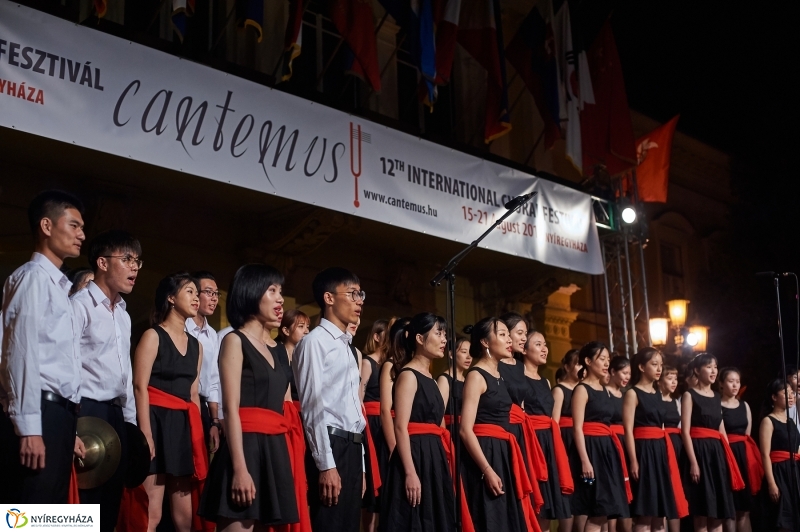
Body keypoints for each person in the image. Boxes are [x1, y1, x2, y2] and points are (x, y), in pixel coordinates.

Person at [199, 264, 304, 530]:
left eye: (280, 291)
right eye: (272, 290)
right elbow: (230, 410)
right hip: (244, 448)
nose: (280, 298)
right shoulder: (235, 340)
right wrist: (239, 469)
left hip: (275, 450)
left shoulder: (279, 350)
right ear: (251, 293)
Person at [0, 190, 86, 504]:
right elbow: (20, 355)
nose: (82, 235)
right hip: (40, 411)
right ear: (47, 226)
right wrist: (29, 428)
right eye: (74, 226)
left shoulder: (58, 287)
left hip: (58, 415)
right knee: (27, 514)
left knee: (51, 518)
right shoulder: (32, 278)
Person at [71, 230, 140, 531]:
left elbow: (126, 374)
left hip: (116, 415)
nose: (135, 267)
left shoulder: (123, 314)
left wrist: (132, 424)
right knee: (80, 509)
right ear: (102, 262)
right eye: (127, 259)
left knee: (109, 508)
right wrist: (69, 425)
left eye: (138, 260)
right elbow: (69, 366)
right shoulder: (79, 305)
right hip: (85, 412)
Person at [292, 267, 367, 532]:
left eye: (361, 294)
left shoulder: (347, 347)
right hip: (331, 445)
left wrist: (362, 466)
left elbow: (353, 411)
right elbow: (312, 408)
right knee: (329, 524)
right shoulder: (314, 342)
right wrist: (326, 466)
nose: (359, 300)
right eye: (352, 293)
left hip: (352, 446)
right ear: (329, 298)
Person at [132, 272, 206, 531]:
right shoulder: (153, 336)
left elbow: (194, 394)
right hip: (155, 421)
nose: (196, 297)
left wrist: (198, 439)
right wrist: (146, 435)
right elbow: (140, 386)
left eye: (197, 293)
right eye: (189, 291)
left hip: (182, 425)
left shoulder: (198, 346)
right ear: (171, 298)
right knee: (151, 512)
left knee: (185, 516)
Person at [379, 313, 464, 531]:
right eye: (438, 333)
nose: (444, 339)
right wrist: (409, 472)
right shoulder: (408, 375)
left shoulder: (431, 378)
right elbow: (400, 426)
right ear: (419, 338)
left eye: (445, 334)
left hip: (433, 455)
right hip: (415, 455)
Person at [460, 317, 539, 532]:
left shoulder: (499, 375)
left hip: (503, 453)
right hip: (486, 454)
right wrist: (487, 469)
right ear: (485, 342)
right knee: (490, 520)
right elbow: (465, 430)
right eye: (502, 335)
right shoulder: (476, 376)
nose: (508, 340)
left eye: (507, 334)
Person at [622, 347, 688, 532]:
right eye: (654, 364)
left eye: (660, 365)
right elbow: (628, 430)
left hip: (660, 451)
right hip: (643, 451)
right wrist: (634, 461)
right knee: (645, 512)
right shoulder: (632, 393)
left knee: (660, 514)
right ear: (642, 367)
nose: (659, 369)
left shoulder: (658, 393)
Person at [570, 341, 630, 532]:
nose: (606, 364)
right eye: (602, 359)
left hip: (607, 450)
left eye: (608, 360)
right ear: (587, 361)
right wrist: (585, 461)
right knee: (597, 509)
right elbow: (577, 428)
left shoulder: (604, 390)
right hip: (591, 450)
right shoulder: (581, 389)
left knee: (604, 511)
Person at [680, 353, 743, 532]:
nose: (714, 371)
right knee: (701, 511)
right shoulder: (689, 395)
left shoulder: (716, 396)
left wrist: (728, 459)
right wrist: (693, 462)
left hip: (717, 454)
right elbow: (685, 431)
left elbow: (721, 428)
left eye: (715, 367)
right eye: (709, 367)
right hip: (699, 452)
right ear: (697, 371)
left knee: (718, 512)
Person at [521, 329, 573, 532]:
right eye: (538, 344)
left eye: (545, 344)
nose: (544, 349)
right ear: (524, 349)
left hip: (548, 443)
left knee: (548, 507)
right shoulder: (518, 379)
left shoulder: (546, 381)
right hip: (531, 442)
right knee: (534, 502)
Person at [498, 314, 547, 515]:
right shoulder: (496, 364)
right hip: (504, 429)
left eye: (525, 333)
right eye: (520, 333)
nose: (523, 338)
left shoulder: (519, 366)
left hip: (520, 432)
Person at [720, 367, 761, 532]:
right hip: (727, 455)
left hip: (743, 456)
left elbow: (747, 433)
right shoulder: (717, 405)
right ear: (721, 384)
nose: (735, 385)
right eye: (731, 381)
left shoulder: (744, 405)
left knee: (744, 509)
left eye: (737, 381)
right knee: (730, 508)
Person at [186, 271, 222, 455]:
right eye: (208, 292)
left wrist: (214, 420)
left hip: (203, 408)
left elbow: (213, 380)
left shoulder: (213, 335)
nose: (214, 298)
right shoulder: (182, 328)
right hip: (182, 403)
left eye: (216, 294)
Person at [758, 378, 800, 532]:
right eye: (786, 393)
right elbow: (764, 454)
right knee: (783, 520)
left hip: (794, 471)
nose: (791, 396)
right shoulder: (768, 421)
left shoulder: (791, 421)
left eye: (792, 393)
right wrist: (771, 483)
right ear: (774, 397)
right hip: (779, 473)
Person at [360, 318, 390, 532]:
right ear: (377, 336)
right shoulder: (367, 362)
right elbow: (358, 397)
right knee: (372, 482)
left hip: (385, 422)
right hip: (370, 425)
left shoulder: (389, 365)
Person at [659, 365, 683, 532]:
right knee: (665, 489)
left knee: (676, 491)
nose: (674, 382)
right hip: (662, 445)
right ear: (660, 380)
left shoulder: (676, 402)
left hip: (677, 445)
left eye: (675, 378)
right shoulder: (655, 400)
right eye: (670, 378)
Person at [436, 335, 472, 438]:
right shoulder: (444, 379)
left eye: (470, 353)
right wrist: (445, 437)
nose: (469, 357)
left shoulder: (468, 381)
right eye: (464, 352)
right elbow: (439, 414)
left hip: (466, 431)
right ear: (451, 354)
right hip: (450, 431)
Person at [552, 349, 581, 454]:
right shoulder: (559, 390)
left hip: (582, 436)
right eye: (578, 364)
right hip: (567, 437)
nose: (582, 369)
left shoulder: (583, 389)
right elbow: (555, 422)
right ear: (567, 367)